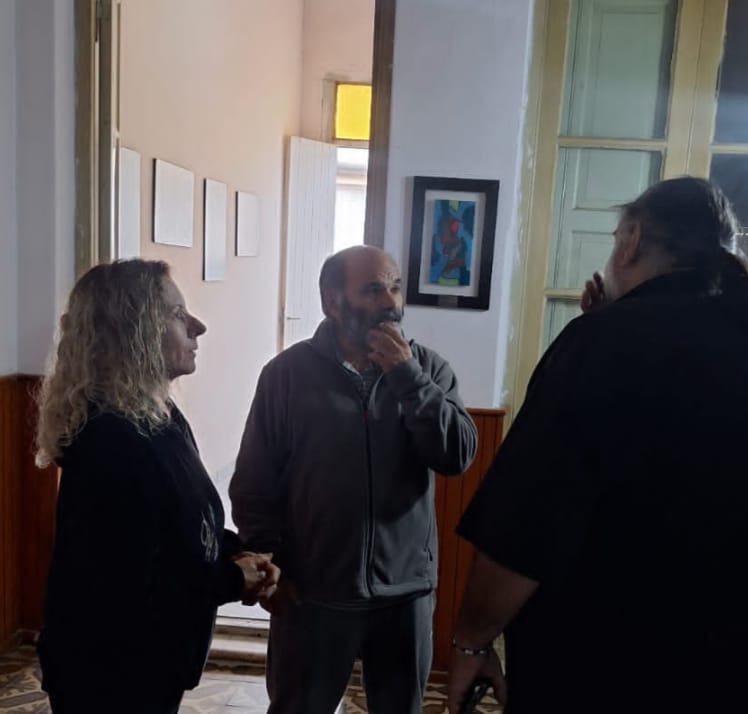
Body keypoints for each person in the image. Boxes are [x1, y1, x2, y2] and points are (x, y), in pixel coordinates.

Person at [447, 177, 748, 714]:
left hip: (601, 661)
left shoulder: (601, 345)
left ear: (631, 240)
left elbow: (528, 522)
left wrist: (472, 641)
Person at [230, 245, 478, 714]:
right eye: (372, 290)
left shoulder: (428, 369)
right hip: (312, 594)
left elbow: (457, 455)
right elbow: (255, 480)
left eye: (395, 287)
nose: (390, 302)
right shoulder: (286, 376)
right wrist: (267, 560)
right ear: (332, 301)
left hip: (405, 595)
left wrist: (408, 379)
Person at [35, 259, 279, 714]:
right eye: (177, 314)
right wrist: (232, 578)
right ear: (135, 332)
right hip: (108, 674)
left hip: (152, 664)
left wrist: (240, 552)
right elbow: (130, 585)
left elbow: (183, 529)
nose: (198, 327)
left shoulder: (158, 417)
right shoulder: (109, 439)